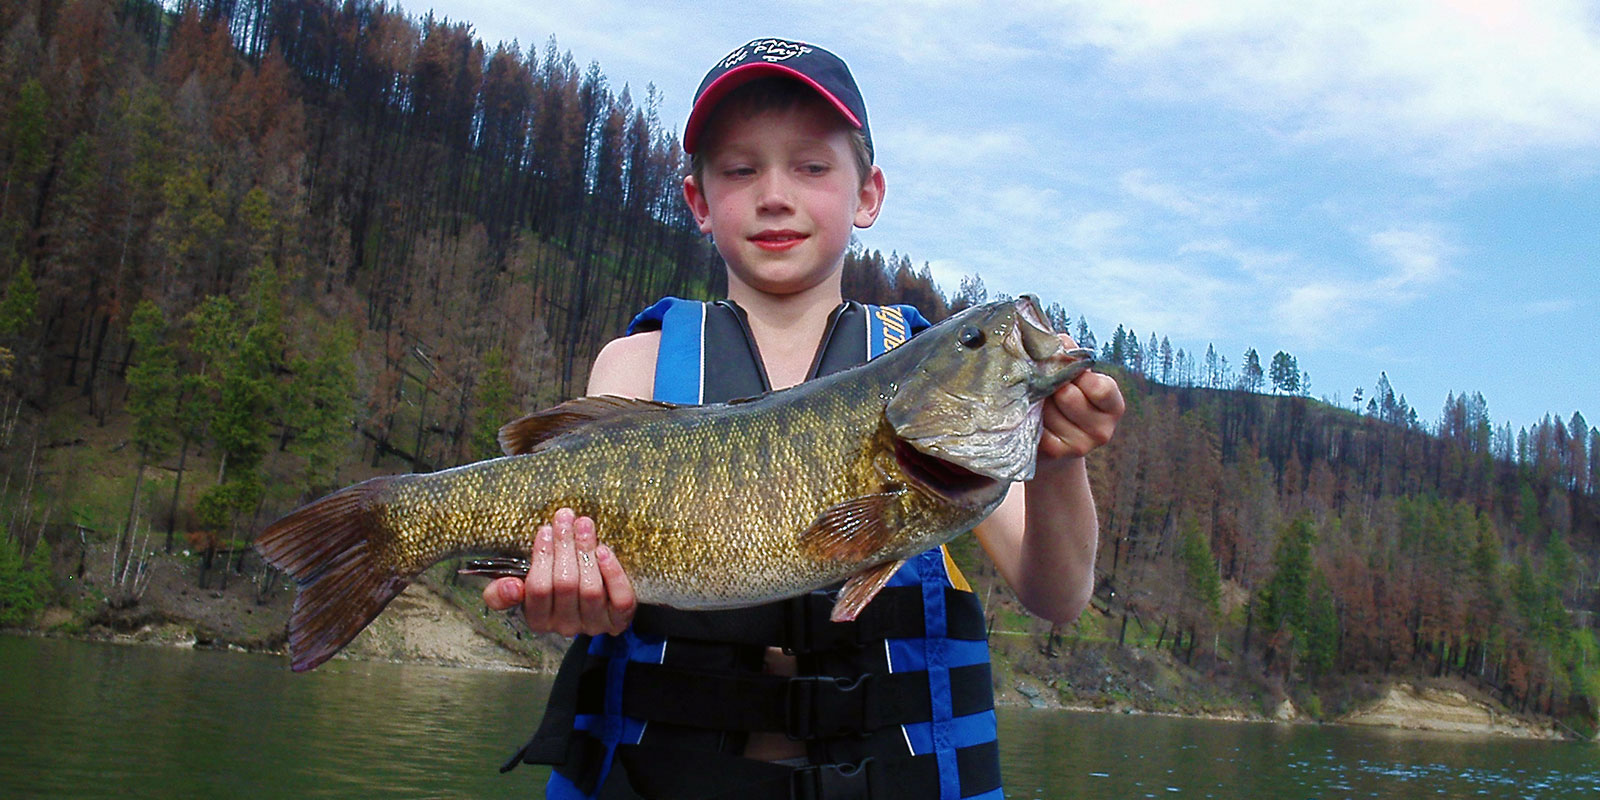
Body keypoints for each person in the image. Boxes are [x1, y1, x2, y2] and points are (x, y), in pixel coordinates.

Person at [483, 37, 1124, 800]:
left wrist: (1060, 459)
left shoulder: (934, 387)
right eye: (740, 169)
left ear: (868, 195)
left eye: (812, 167)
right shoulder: (636, 367)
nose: (774, 194)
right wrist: (570, 597)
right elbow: (591, 582)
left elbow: (1057, 596)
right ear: (698, 201)